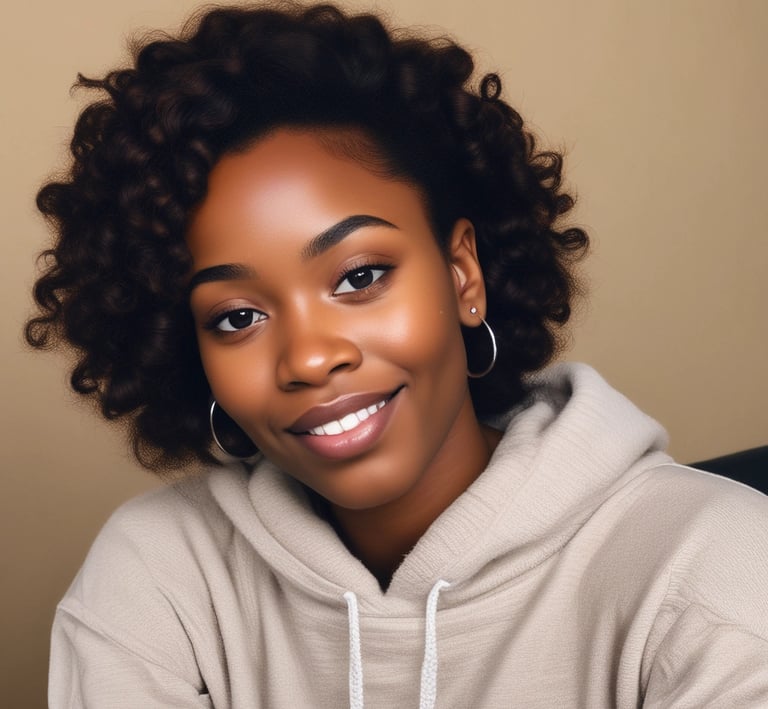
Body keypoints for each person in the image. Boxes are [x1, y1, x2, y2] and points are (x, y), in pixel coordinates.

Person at [27, 3, 768, 707]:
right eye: (238, 315)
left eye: (359, 276)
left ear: (463, 276)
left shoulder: (711, 564)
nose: (309, 358)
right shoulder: (157, 577)